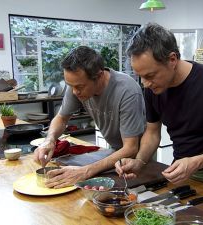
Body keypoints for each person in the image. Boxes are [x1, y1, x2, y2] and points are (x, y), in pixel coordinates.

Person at [115, 23, 203, 191]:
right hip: (179, 171)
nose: (145, 83)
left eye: (150, 75)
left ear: (172, 59)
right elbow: (152, 132)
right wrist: (139, 161)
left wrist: (198, 161)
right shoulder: (154, 88)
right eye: (140, 77)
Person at [34, 46, 146, 188]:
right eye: (71, 86)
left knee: (131, 196)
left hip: (139, 157)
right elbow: (61, 118)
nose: (75, 92)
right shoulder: (77, 84)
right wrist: (49, 140)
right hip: (115, 152)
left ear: (99, 76)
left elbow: (130, 148)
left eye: (79, 87)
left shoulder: (127, 91)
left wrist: (85, 172)